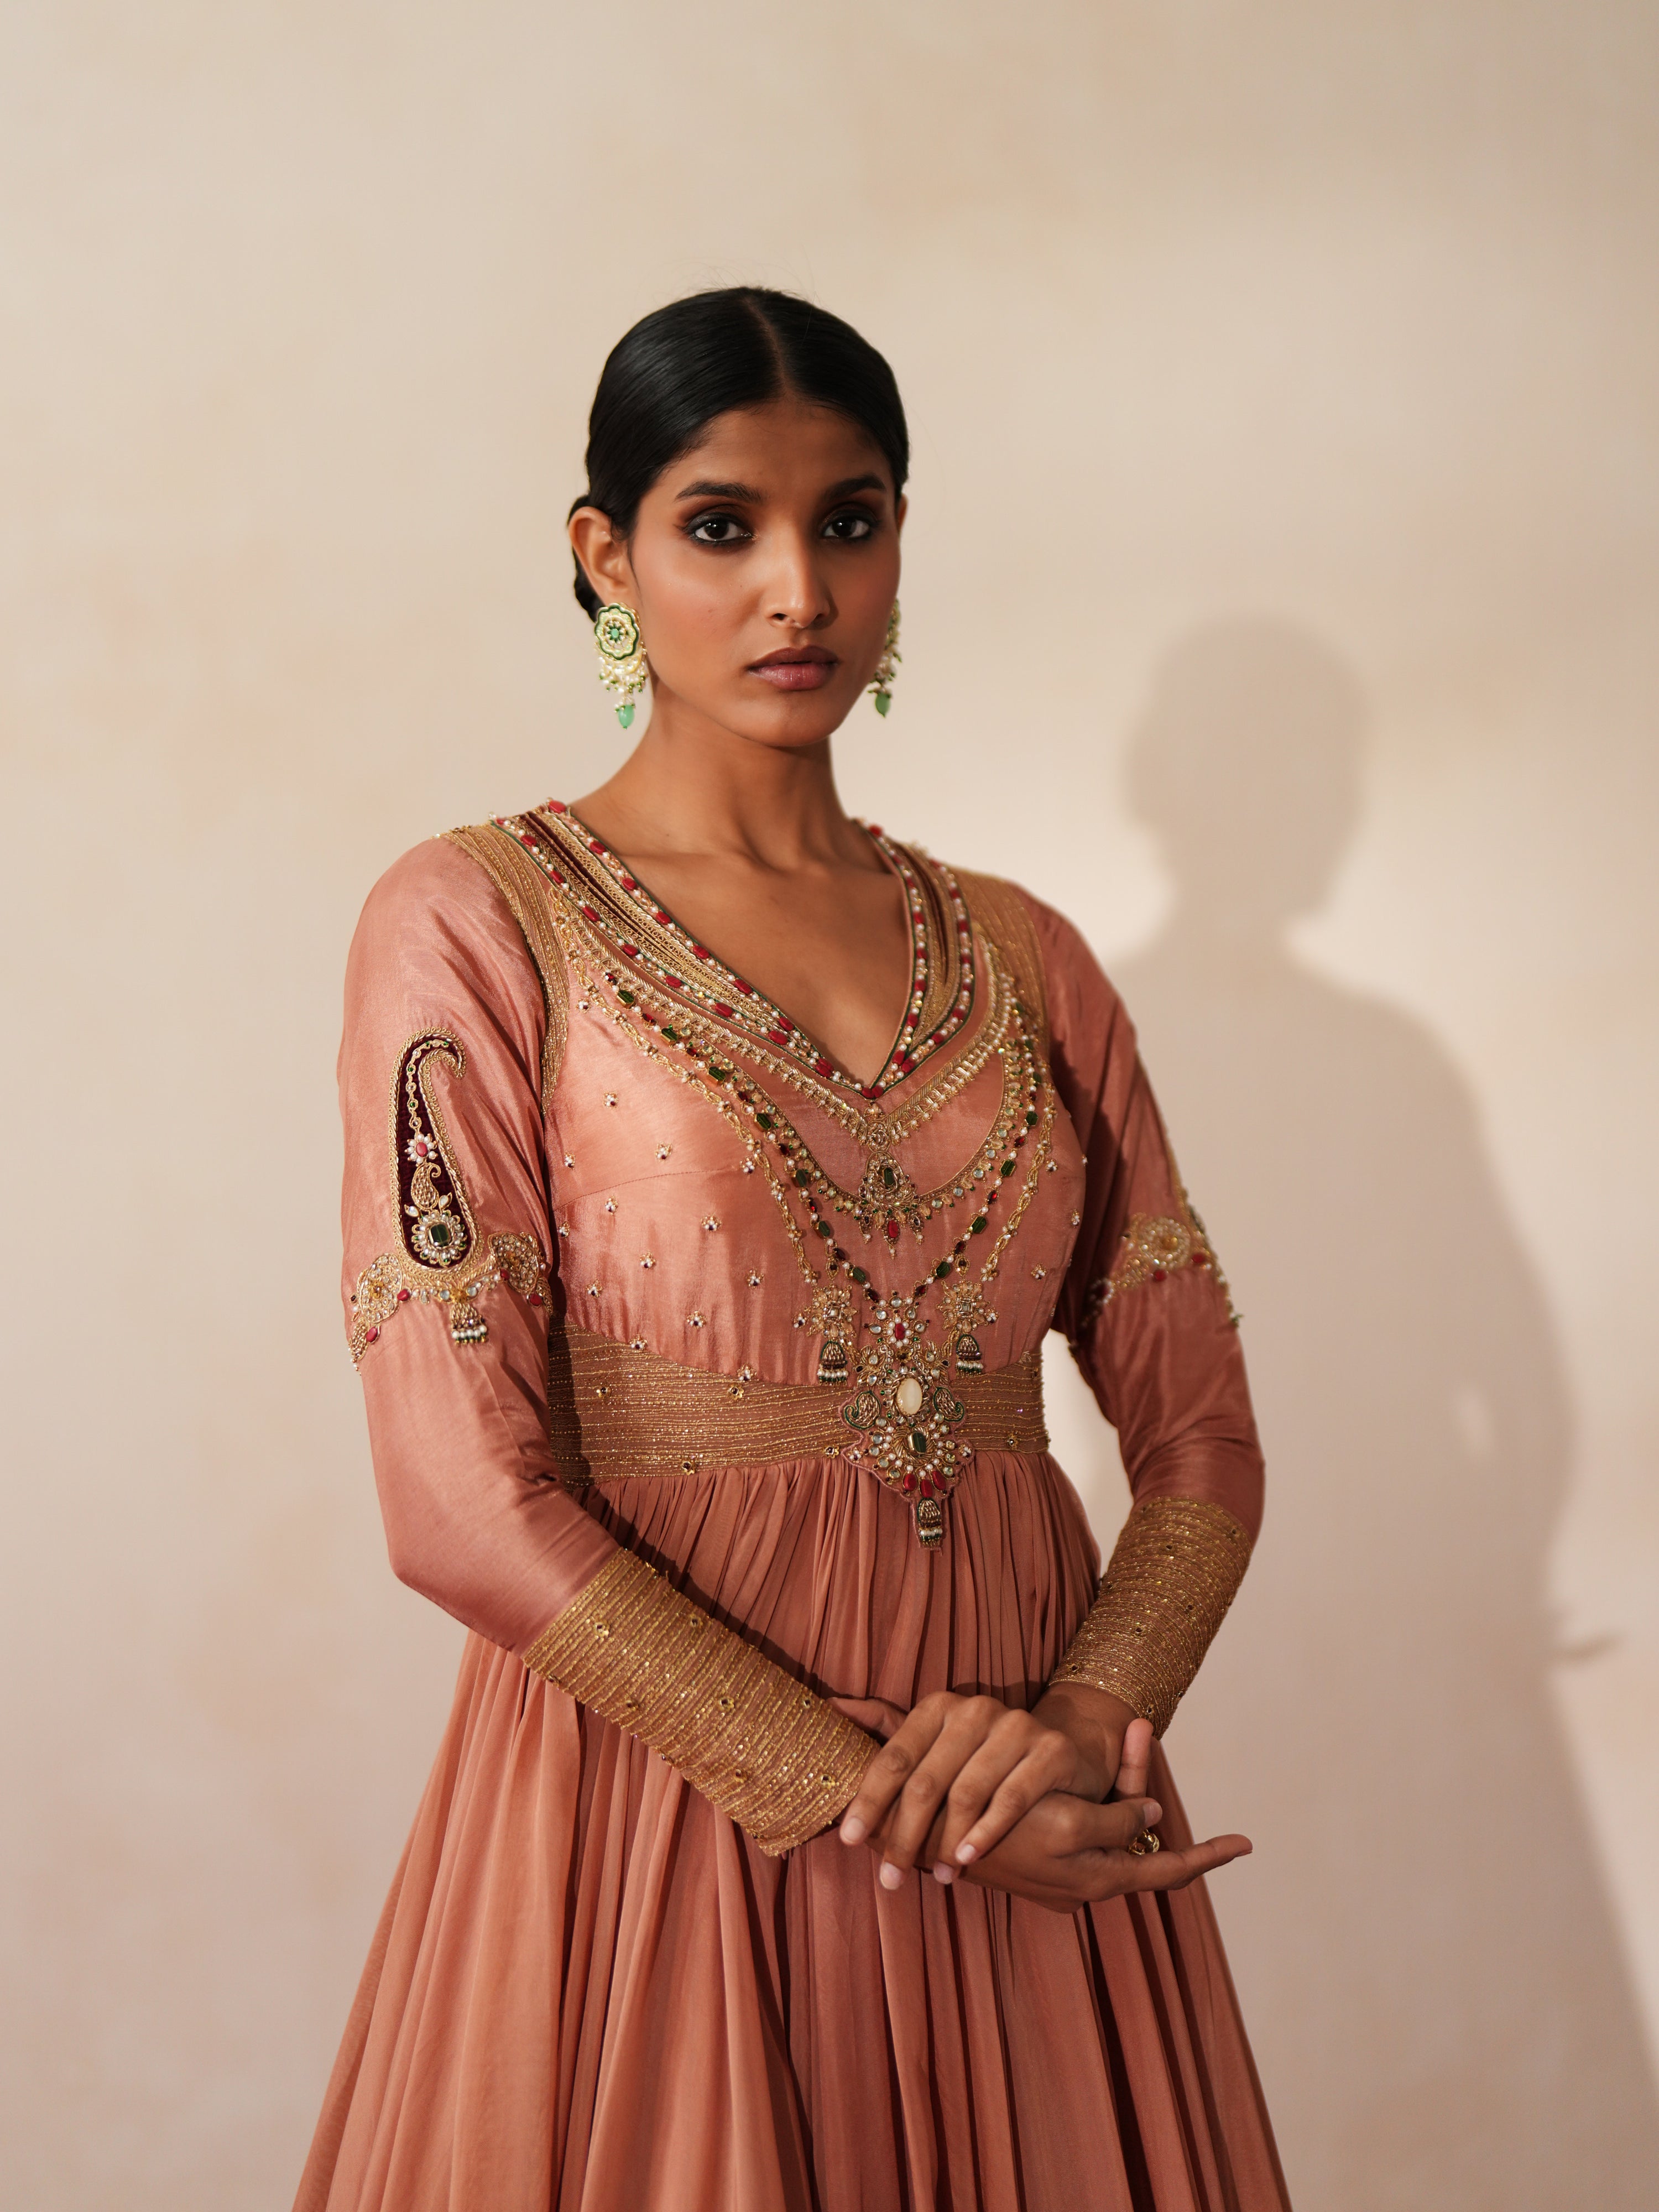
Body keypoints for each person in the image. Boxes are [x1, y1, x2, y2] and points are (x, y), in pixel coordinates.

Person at [296, 288, 1288, 2212]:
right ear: (604, 555)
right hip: (665, 1803)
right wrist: (848, 1787)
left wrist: (1083, 1727)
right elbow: (454, 1497)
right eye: (720, 525)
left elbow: (1202, 1440)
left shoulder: (1029, 958)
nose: (798, 592)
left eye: (850, 521)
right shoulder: (477, 923)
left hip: (1031, 1792)